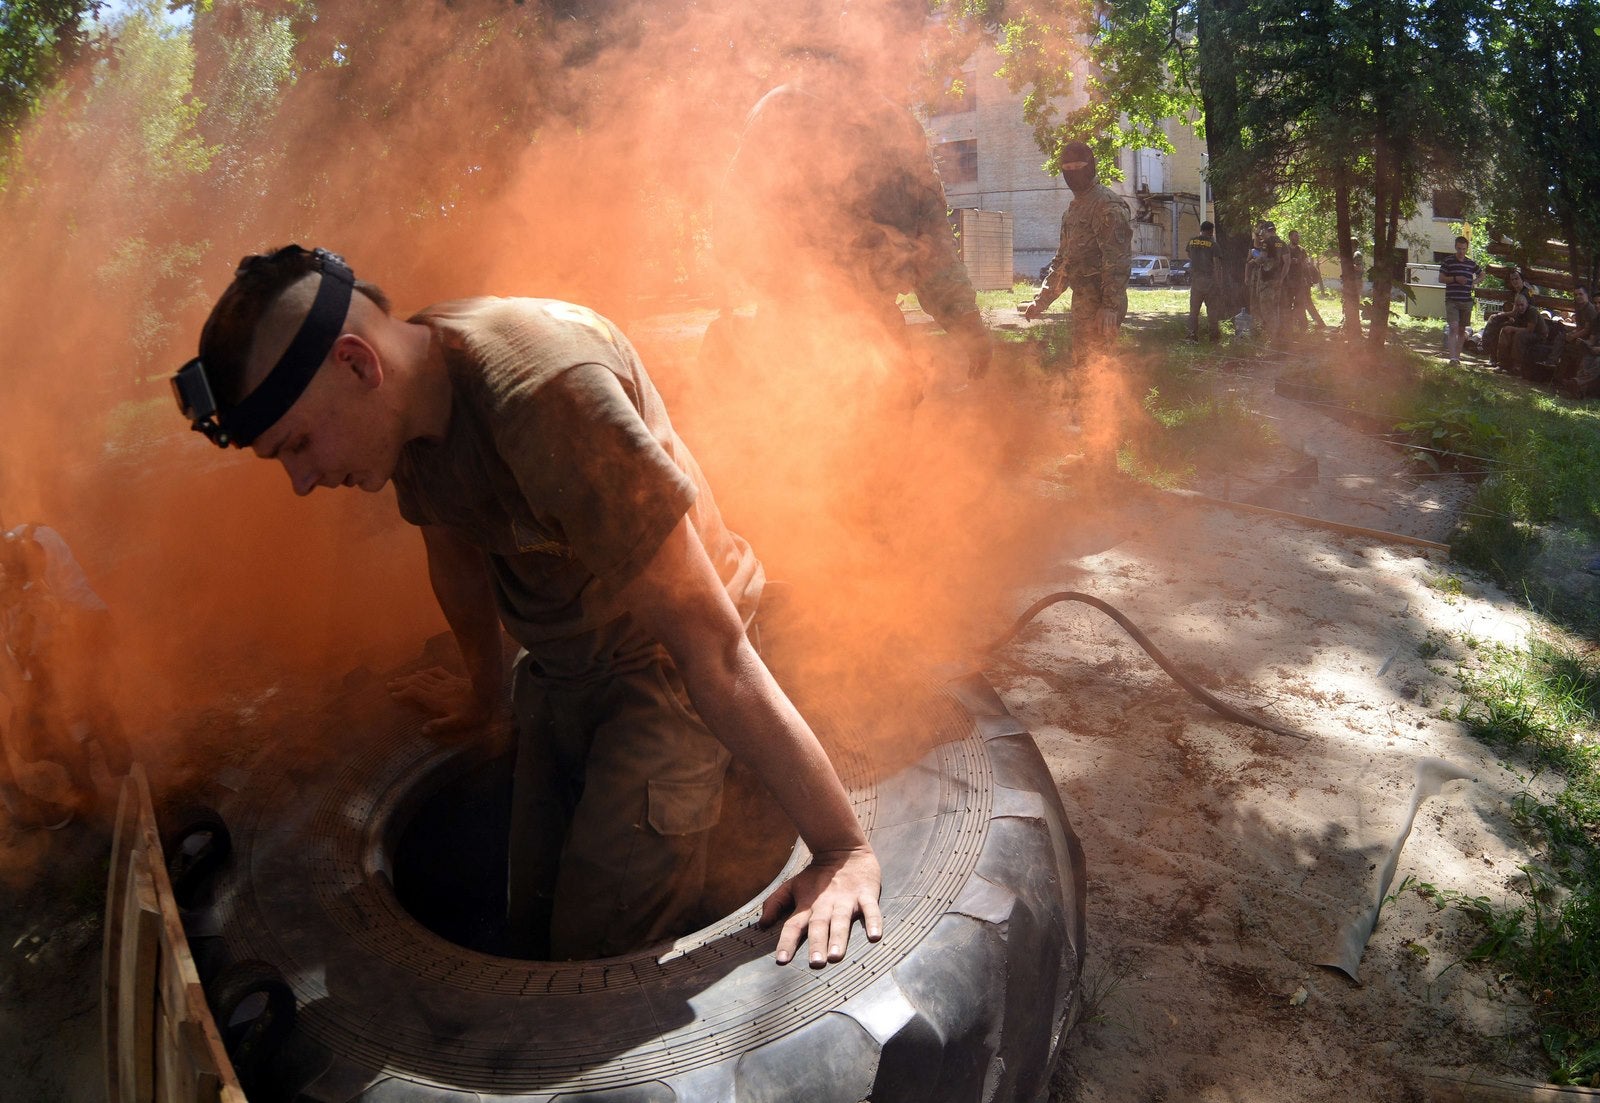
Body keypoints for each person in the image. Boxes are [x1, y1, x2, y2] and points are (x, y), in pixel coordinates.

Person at [172, 246, 883, 967]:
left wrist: (840, 845)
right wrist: (486, 692)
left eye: (298, 444)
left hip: (664, 669)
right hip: (559, 668)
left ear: (357, 364)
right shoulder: (407, 409)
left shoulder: (548, 397)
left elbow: (713, 648)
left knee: (592, 950)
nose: (300, 479)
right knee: (531, 935)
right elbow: (451, 547)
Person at [715, 1, 990, 389]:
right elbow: (736, 226)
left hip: (811, 351)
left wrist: (966, 323)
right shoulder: (792, 111)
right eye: (903, 31)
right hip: (814, 346)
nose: (911, 48)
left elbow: (730, 233)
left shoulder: (784, 108)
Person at [1021, 140, 1133, 366]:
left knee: (1098, 365)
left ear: (1091, 166)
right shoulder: (1074, 209)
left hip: (1102, 303)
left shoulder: (1107, 205)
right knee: (1083, 362)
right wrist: (1042, 301)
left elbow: (1117, 259)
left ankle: (1106, 402)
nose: (1073, 174)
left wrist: (1109, 306)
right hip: (1082, 301)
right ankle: (1083, 400)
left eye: (1078, 167)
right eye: (1067, 169)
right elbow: (1064, 261)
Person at [1438, 236, 1481, 366]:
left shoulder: (1471, 263)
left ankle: (1457, 357)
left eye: (1464, 249)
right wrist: (1456, 278)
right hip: (1452, 299)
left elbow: (1482, 274)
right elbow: (1441, 278)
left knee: (1462, 330)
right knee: (1453, 327)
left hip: (1466, 300)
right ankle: (1452, 358)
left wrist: (1473, 282)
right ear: (1455, 247)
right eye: (1459, 249)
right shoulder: (1448, 261)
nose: (1461, 251)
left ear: (1467, 248)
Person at [1481, 269, 1533, 368]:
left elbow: (1515, 312)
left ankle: (1494, 357)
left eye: (1516, 278)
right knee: (1495, 320)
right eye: (1512, 279)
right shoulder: (1520, 291)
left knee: (1498, 325)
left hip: (1524, 323)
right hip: (1517, 319)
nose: (1514, 281)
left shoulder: (1525, 293)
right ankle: (1490, 353)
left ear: (1522, 279)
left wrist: (1500, 314)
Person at [1185, 220, 1221, 343]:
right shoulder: (1213, 244)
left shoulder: (1192, 242)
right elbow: (1216, 262)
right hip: (1209, 280)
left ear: (1201, 229)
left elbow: (1189, 255)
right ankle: (1214, 337)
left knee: (1194, 310)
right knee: (1212, 310)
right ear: (1211, 231)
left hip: (1196, 280)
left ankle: (1192, 335)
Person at [1286, 230, 1325, 331]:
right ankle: (1290, 326)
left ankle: (1304, 327)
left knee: (1301, 304)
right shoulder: (1285, 249)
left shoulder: (1302, 250)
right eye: (1295, 236)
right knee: (1288, 304)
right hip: (1288, 282)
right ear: (1290, 237)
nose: (1298, 238)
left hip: (1300, 283)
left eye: (1298, 236)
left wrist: (1309, 279)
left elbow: (1306, 265)